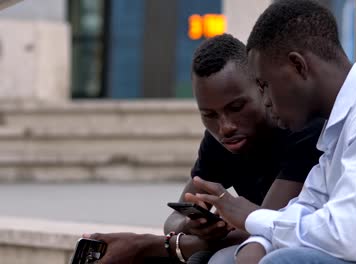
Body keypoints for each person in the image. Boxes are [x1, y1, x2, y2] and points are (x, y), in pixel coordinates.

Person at [188, 1, 356, 264]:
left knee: (286, 262)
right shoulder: (341, 131)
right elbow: (305, 208)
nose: (266, 100)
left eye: (264, 85)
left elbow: (346, 236)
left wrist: (252, 217)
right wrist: (256, 244)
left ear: (298, 66)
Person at [85, 33, 324, 264]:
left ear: (262, 88)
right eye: (209, 115)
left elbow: (268, 226)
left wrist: (149, 245)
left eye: (237, 107)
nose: (225, 127)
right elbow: (176, 217)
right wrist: (191, 226)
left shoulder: (299, 127)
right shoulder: (220, 140)